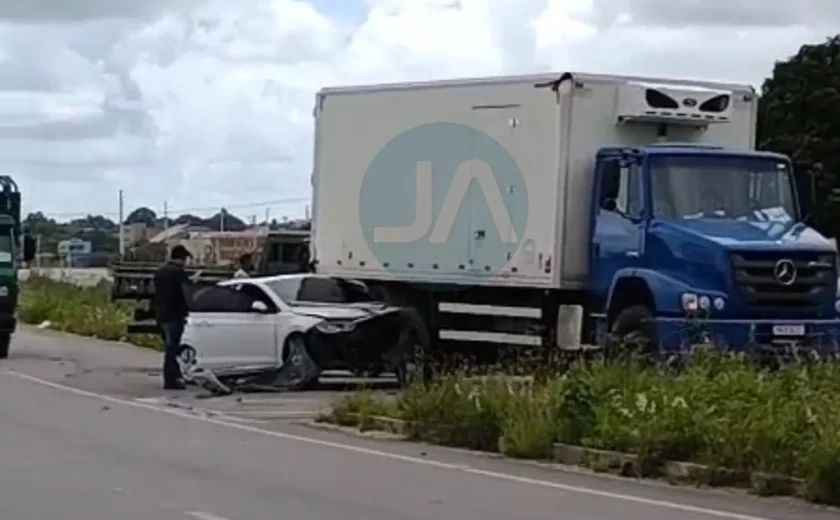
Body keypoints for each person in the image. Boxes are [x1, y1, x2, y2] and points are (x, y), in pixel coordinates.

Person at [153, 245, 193, 390]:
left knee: (170, 347)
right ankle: (171, 379)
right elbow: (184, 292)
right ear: (182, 258)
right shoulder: (178, 273)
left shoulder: (160, 272)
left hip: (161, 314)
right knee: (172, 348)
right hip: (174, 314)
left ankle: (175, 376)